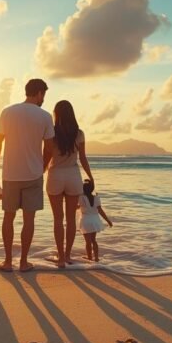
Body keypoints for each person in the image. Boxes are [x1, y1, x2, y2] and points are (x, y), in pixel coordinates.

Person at [0, 78, 56, 272]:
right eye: (43, 95)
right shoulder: (45, 116)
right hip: (33, 174)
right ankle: (24, 262)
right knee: (29, 220)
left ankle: (8, 262)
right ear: (39, 93)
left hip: (10, 174)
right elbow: (50, 148)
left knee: (8, 218)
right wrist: (42, 168)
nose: (43, 99)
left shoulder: (7, 112)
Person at [46, 100, 95, 268]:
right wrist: (90, 176)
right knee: (71, 220)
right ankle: (67, 256)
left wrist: (38, 173)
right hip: (73, 176)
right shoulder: (79, 133)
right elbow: (83, 158)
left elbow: (46, 157)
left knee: (58, 219)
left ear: (56, 114)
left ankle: (60, 258)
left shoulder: (51, 133)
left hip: (55, 175)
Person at [79, 179, 113, 262]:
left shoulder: (81, 198)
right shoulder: (96, 197)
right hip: (95, 220)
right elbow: (100, 211)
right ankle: (96, 258)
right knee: (93, 240)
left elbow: (76, 207)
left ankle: (89, 257)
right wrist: (108, 220)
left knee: (87, 241)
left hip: (85, 220)